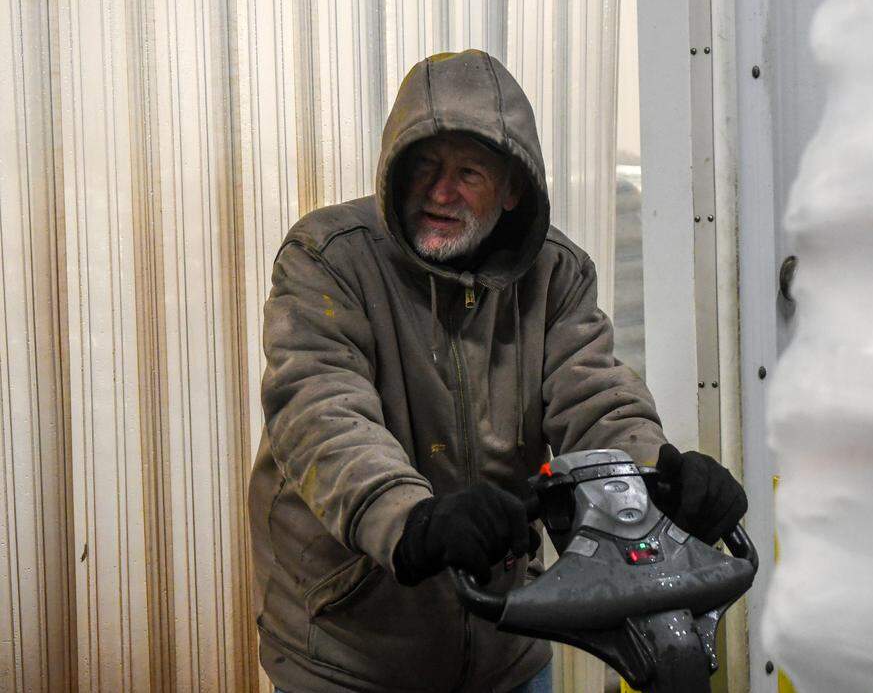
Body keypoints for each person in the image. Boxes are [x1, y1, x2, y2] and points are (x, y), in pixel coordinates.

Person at [248, 49, 748, 693]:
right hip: (352, 651)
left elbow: (594, 400)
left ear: (513, 188)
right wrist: (411, 520)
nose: (439, 191)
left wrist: (655, 481)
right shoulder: (328, 256)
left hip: (505, 644)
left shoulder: (557, 273)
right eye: (423, 166)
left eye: (468, 172)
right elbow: (320, 413)